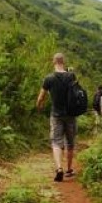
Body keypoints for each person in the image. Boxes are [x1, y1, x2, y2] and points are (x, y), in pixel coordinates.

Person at [36, 53, 78, 181]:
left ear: (53, 62)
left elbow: (41, 97)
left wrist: (39, 105)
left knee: (56, 142)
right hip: (71, 114)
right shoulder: (71, 76)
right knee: (70, 143)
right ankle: (69, 169)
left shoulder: (49, 78)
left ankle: (59, 168)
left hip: (56, 114)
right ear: (63, 62)